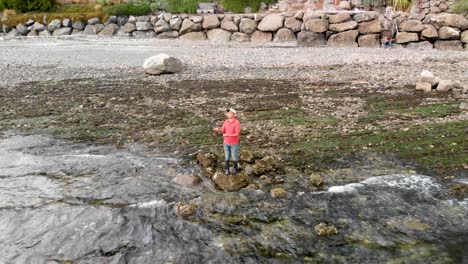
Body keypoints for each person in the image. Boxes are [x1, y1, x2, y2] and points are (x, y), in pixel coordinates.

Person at [213, 108, 241, 174]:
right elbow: (223, 130)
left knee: (234, 157)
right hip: (226, 142)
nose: (228, 114)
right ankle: (227, 169)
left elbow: (237, 134)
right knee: (227, 156)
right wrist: (218, 129)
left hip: (234, 143)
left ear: (234, 114)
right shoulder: (226, 121)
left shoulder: (237, 123)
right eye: (228, 113)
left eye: (230, 113)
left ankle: (235, 168)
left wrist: (227, 135)